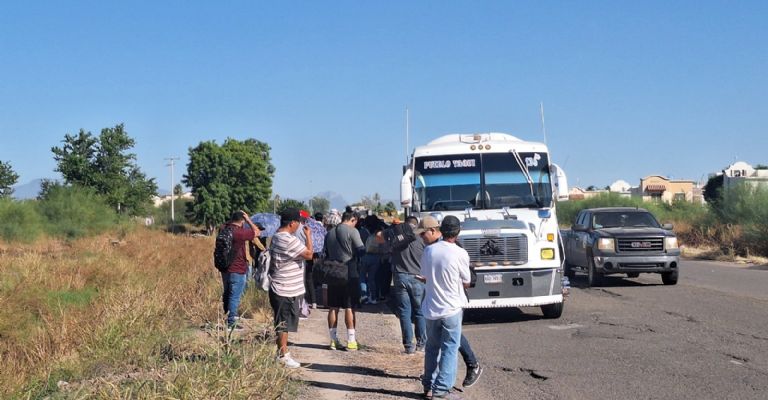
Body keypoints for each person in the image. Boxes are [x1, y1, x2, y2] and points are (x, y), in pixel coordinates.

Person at [417, 215, 471, 399]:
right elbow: (467, 281)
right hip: (452, 308)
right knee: (449, 348)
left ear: (440, 229)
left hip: (431, 308)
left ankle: (428, 386)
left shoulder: (429, 251)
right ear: (457, 232)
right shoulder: (460, 253)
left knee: (431, 348)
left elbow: (424, 275)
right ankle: (441, 391)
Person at [269, 208, 314, 368]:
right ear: (292, 223)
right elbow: (309, 254)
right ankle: (283, 355)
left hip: (284, 286)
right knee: (283, 322)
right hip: (284, 288)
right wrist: (308, 236)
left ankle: (282, 353)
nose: (300, 226)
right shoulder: (287, 239)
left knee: (284, 322)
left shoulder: (278, 237)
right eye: (299, 223)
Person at [381, 215, 427, 354]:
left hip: (400, 277)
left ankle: (408, 346)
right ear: (416, 224)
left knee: (404, 312)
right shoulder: (421, 239)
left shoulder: (397, 238)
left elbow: (387, 251)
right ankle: (421, 344)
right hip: (418, 277)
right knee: (420, 312)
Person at [323, 210, 365, 350]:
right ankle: (351, 341)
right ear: (352, 219)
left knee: (333, 306)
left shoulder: (329, 233)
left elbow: (326, 253)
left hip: (332, 271)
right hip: (349, 270)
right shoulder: (352, 231)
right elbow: (361, 250)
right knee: (349, 306)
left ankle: (333, 340)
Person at [220, 210, 260, 329]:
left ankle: (227, 317)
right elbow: (257, 232)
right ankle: (231, 322)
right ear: (242, 220)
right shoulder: (240, 233)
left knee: (227, 293)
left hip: (224, 267)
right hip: (237, 268)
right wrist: (248, 220)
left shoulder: (224, 229)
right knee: (235, 296)